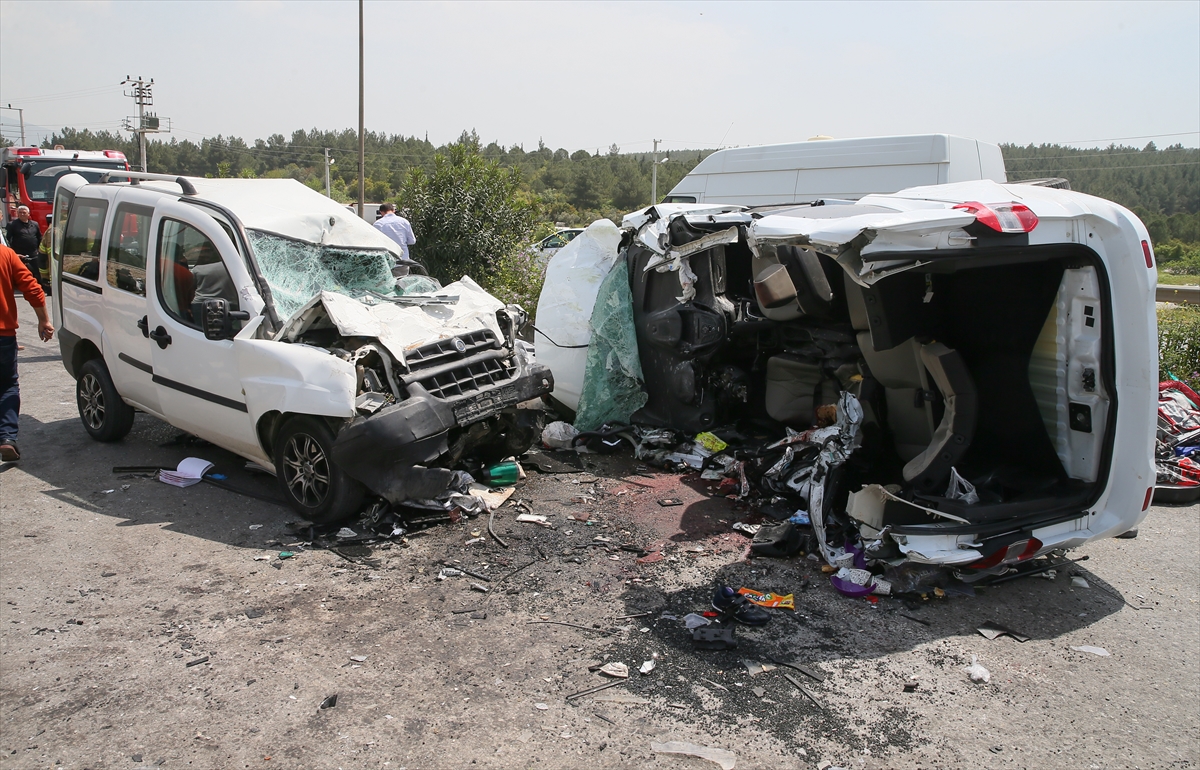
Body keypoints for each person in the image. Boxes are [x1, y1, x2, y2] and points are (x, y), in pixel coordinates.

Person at [1, 243, 55, 462]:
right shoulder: (5, 254)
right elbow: (32, 287)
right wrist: (43, 320)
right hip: (3, 335)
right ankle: (6, 438)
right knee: (7, 385)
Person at [5, 205, 42, 277]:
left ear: (28, 214)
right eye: (20, 212)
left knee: (37, 273)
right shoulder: (12, 225)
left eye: (24, 212)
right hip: (19, 255)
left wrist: (39, 250)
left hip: (33, 253)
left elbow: (39, 237)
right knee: (21, 274)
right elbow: (8, 239)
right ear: (17, 214)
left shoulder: (35, 224)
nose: (22, 214)